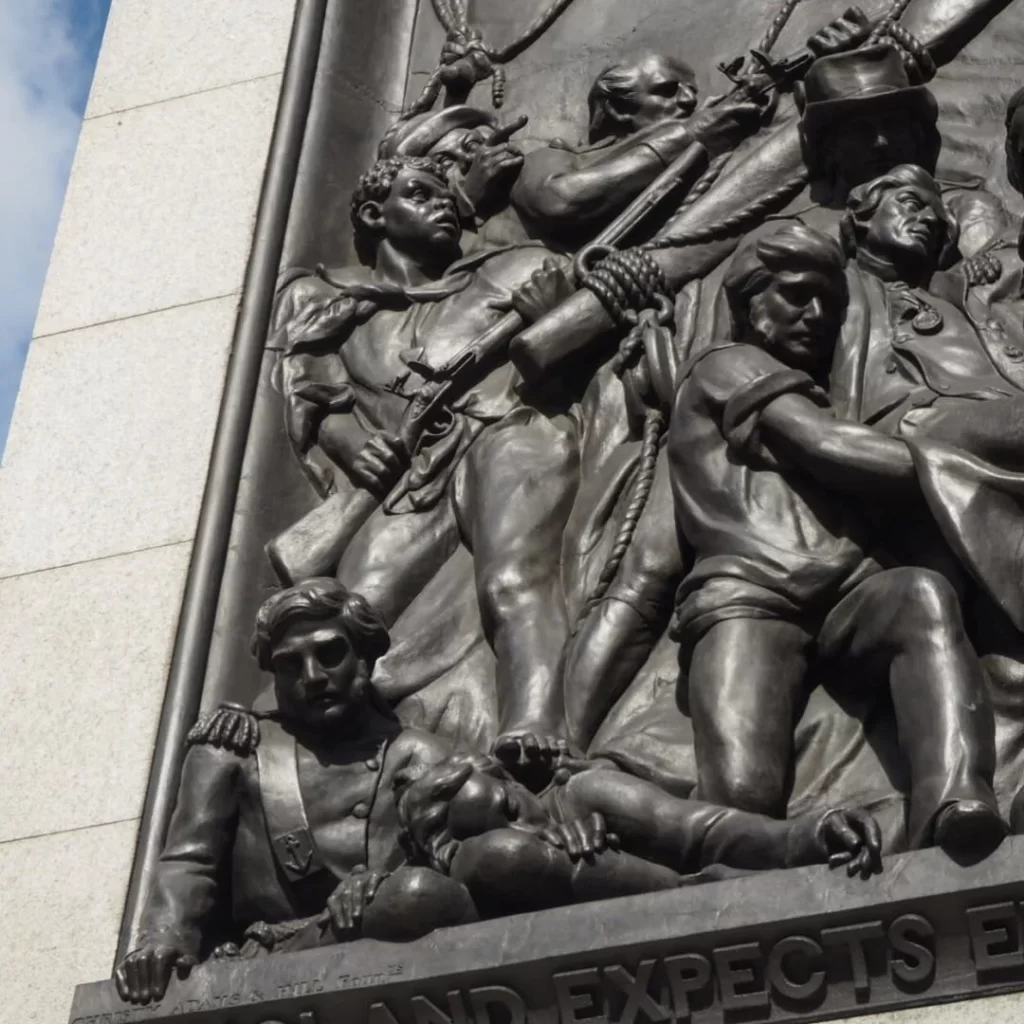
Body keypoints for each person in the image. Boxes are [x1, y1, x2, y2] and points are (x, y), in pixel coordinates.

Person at [666, 223, 1005, 860]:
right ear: (748, 300)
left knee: (920, 596)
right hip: (750, 602)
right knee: (743, 800)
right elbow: (830, 449)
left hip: (850, 592)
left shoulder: (831, 385)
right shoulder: (726, 365)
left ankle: (956, 802)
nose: (816, 314)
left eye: (827, 299)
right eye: (796, 296)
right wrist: (978, 469)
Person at [270, 155, 580, 770]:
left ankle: (535, 723)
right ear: (372, 215)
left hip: (508, 436)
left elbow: (576, 343)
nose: (442, 206)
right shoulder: (339, 304)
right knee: (348, 618)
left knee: (511, 579)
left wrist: (556, 318)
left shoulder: (511, 270)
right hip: (412, 478)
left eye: (446, 196)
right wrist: (349, 443)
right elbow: (312, 390)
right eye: (419, 194)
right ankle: (290, 745)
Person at [114, 579, 474, 1006]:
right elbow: (190, 862)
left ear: (364, 656)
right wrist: (163, 938)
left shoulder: (418, 752)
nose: (313, 676)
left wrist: (382, 889)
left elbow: (451, 865)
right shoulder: (234, 750)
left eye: (329, 653)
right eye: (290, 664)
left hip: (401, 967)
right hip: (273, 967)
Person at [392, 753, 883, 918]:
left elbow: (704, 830)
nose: (527, 828)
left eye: (514, 808)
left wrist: (810, 834)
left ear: (513, 782)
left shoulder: (584, 794)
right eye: (497, 830)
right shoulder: (474, 872)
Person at [510, 52, 767, 251]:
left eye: (692, 91)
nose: (689, 100)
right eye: (667, 90)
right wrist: (688, 135)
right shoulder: (554, 157)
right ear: (618, 108)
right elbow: (558, 201)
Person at [377, 104, 530, 249]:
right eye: (446, 161)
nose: (468, 159)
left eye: (471, 145)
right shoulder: (444, 236)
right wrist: (468, 199)